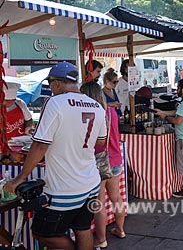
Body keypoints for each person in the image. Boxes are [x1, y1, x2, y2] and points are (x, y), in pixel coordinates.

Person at [5, 61, 106, 250]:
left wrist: (21, 177)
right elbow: (101, 141)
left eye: (50, 84)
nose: (50, 88)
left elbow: (39, 146)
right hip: (90, 181)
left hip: (64, 187)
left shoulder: (55, 102)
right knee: (83, 229)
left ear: (57, 83)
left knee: (44, 233)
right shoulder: (96, 105)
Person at [80, 81, 126, 248]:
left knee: (99, 202)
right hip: (115, 158)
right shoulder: (111, 112)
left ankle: (101, 239)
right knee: (116, 197)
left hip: (99, 160)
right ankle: (120, 229)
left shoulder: (89, 113)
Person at [154, 78, 183, 198]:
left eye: (178, 88)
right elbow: (177, 112)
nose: (177, 91)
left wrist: (165, 117)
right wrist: (164, 112)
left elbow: (178, 121)